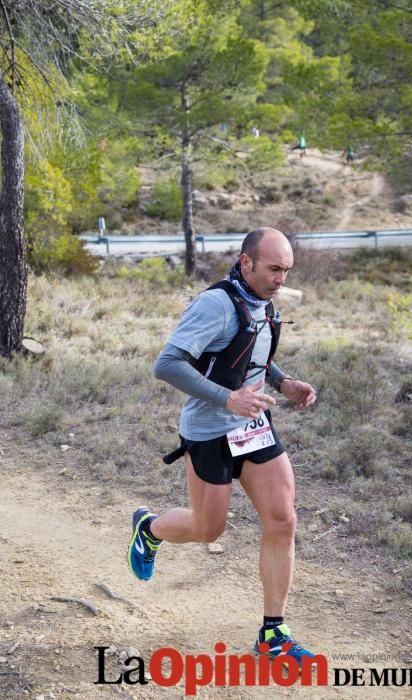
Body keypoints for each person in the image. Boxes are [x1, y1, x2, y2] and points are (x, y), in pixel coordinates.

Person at [128, 227, 317, 665]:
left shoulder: (262, 301)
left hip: (253, 426)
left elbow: (253, 353)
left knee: (282, 519)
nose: (281, 280)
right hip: (210, 430)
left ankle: (274, 633)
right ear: (246, 262)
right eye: (274, 269)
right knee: (208, 529)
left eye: (286, 271)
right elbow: (166, 365)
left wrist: (283, 382)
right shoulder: (216, 304)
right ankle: (150, 529)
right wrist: (227, 397)